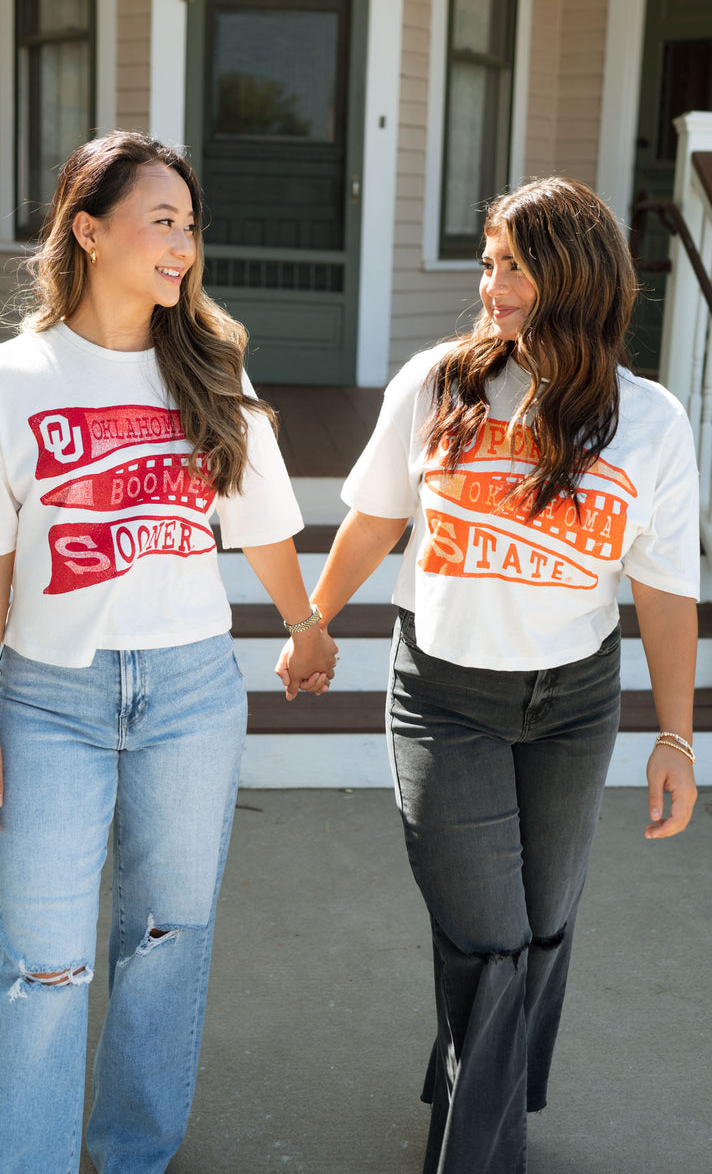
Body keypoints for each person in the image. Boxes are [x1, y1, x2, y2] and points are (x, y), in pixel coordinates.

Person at [0, 130, 336, 1174]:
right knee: (44, 963)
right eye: (163, 222)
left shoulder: (207, 367)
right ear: (88, 230)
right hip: (48, 699)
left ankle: (133, 1154)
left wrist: (303, 623)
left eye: (190, 226)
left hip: (191, 692)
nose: (183, 246)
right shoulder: (12, 377)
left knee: (165, 942)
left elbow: (261, 526)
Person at [278, 176, 699, 1173]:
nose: (489, 285)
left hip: (570, 700)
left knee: (538, 926)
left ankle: (477, 1080)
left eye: (511, 264)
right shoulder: (435, 386)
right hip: (442, 696)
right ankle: (478, 1151)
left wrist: (673, 736)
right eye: (486, 262)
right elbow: (377, 518)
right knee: (485, 937)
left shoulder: (649, 423)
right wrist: (311, 620)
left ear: (572, 277)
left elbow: (665, 594)